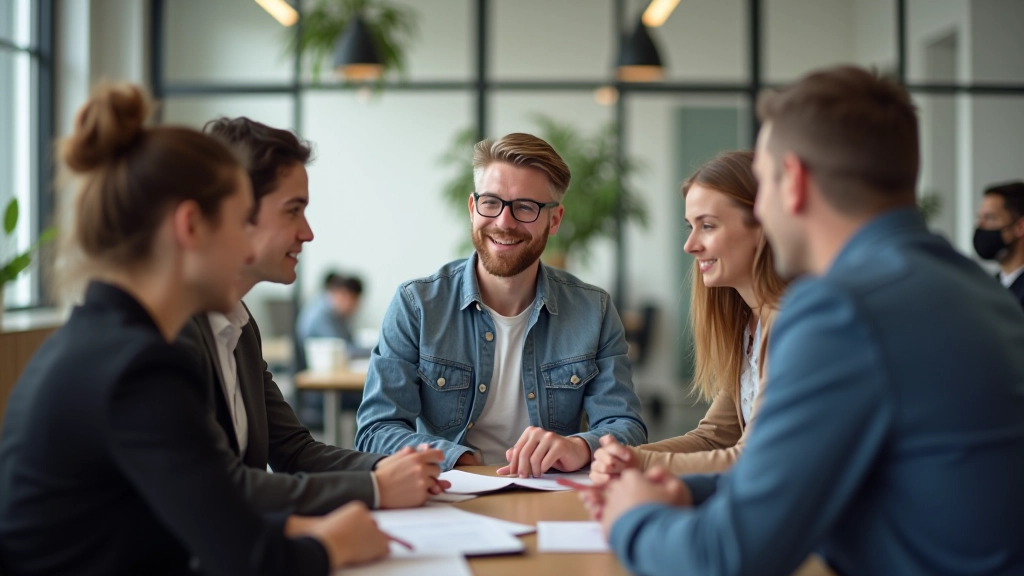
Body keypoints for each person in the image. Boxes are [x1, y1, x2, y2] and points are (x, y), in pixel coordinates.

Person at [587, 66, 1024, 576]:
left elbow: (724, 557)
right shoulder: (977, 289)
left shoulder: (842, 309)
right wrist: (688, 486)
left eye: (765, 185)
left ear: (792, 182)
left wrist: (630, 516)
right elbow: (817, 476)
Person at [0, 84, 388, 575]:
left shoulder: (101, 341)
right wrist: (335, 544)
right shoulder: (139, 366)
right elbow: (246, 558)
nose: (245, 249)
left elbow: (206, 526)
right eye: (235, 222)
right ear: (190, 227)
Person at [176, 116, 446, 515]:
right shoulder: (173, 335)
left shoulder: (239, 325)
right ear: (234, 212)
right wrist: (375, 488)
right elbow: (215, 492)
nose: (308, 233)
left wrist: (390, 468)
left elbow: (294, 450)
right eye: (292, 211)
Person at [355, 132, 647, 473]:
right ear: (472, 207)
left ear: (554, 220)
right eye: (491, 202)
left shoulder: (592, 311)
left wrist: (580, 446)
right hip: (449, 493)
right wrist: (457, 458)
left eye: (525, 207)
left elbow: (626, 427)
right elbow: (376, 430)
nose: (504, 222)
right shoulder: (417, 305)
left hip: (551, 497)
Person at [590, 150, 786, 484]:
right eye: (690, 228)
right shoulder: (747, 323)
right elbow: (714, 437)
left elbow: (752, 459)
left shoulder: (789, 325)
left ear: (762, 226)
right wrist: (620, 457)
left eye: (707, 226)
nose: (690, 245)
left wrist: (638, 461)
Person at [975, 180, 1024, 308]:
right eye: (979, 218)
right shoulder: (989, 288)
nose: (980, 226)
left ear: (1020, 226)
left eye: (990, 218)